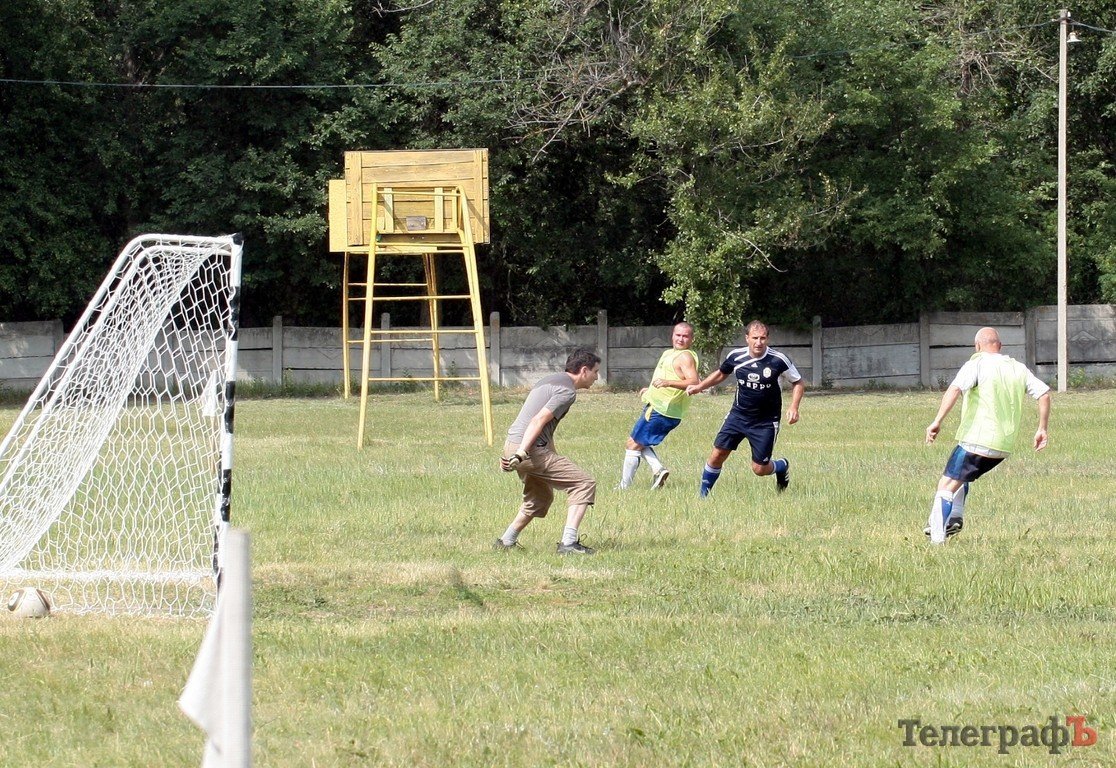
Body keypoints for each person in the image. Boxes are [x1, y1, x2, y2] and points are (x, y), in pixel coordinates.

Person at [924, 327, 1051, 544]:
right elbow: (1044, 393)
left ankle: (937, 541)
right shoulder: (1017, 367)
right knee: (961, 477)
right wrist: (1041, 428)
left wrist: (937, 421)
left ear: (977, 346)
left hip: (977, 440)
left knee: (945, 487)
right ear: (1000, 347)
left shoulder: (976, 364)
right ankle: (955, 517)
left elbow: (954, 389)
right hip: (1003, 447)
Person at [495, 348, 601, 555]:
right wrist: (522, 453)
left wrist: (514, 453)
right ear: (584, 370)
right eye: (596, 372)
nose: (597, 377)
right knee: (584, 483)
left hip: (513, 443)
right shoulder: (567, 392)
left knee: (540, 498)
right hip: (528, 449)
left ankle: (506, 541)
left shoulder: (549, 380)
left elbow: (543, 428)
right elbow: (538, 420)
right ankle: (569, 544)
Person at [686, 320, 805, 498]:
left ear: (768, 339)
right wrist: (700, 386)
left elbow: (798, 382)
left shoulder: (778, 360)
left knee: (759, 469)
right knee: (717, 454)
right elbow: (721, 374)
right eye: (755, 338)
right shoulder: (736, 356)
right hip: (738, 415)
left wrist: (794, 406)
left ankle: (781, 466)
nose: (759, 342)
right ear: (747, 338)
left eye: (763, 338)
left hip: (765, 421)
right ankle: (702, 497)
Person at [619, 322, 700, 490]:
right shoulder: (669, 353)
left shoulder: (685, 357)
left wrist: (667, 383)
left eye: (685, 336)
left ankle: (624, 488)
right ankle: (658, 469)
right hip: (657, 406)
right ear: (672, 335)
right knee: (639, 441)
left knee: (633, 444)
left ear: (692, 339)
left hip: (663, 410)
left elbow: (694, 382)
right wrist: (649, 390)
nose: (681, 339)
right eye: (678, 335)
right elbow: (664, 375)